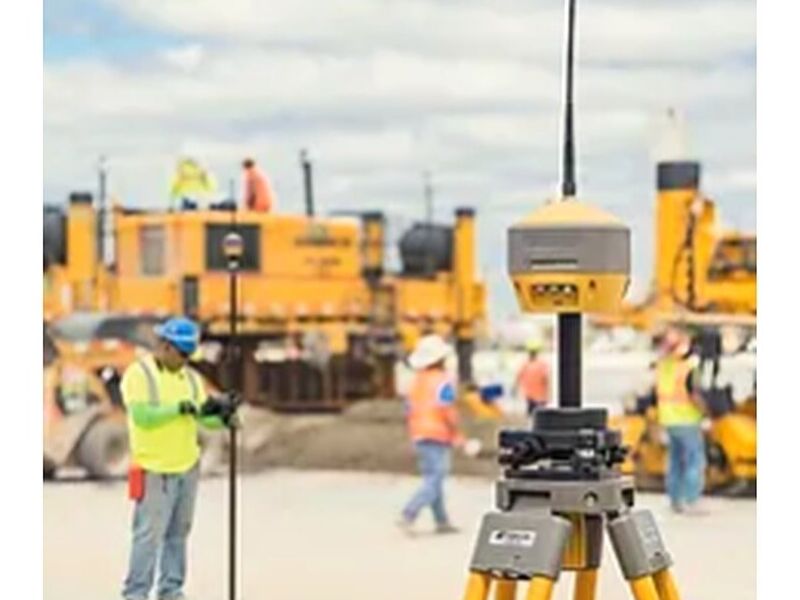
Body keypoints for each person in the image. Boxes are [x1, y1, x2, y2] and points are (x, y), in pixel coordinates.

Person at [120, 317, 233, 600]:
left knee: (178, 535)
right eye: (181, 354)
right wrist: (177, 409)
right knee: (148, 537)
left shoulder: (191, 379)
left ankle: (171, 592)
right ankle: (135, 594)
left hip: (186, 467)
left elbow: (202, 417)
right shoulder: (139, 375)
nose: (184, 360)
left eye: (188, 355)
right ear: (165, 346)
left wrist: (225, 417)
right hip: (154, 470)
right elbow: (142, 417)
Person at [397, 334, 463, 535]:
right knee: (435, 479)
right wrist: (457, 434)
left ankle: (441, 521)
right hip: (438, 434)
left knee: (432, 477)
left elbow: (408, 409)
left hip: (419, 434)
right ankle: (409, 513)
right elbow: (447, 410)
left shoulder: (416, 382)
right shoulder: (443, 382)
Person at [655, 327, 707, 514]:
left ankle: (675, 499)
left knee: (675, 461)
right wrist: (705, 412)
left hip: (669, 421)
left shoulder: (664, 366)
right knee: (694, 461)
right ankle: (691, 500)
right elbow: (694, 394)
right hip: (687, 421)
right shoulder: (688, 368)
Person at [513, 339, 550, 417]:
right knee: (539, 416)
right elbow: (546, 380)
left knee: (532, 416)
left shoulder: (526, 365)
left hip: (532, 396)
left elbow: (518, 378)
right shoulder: (542, 364)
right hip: (539, 397)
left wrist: (514, 388)